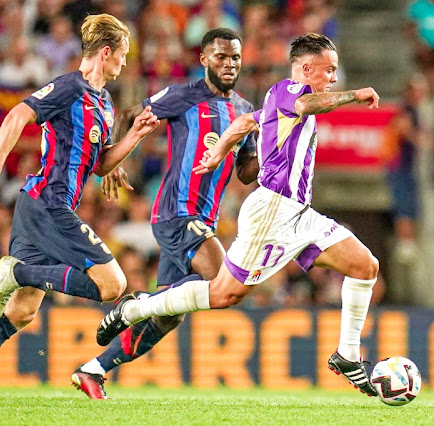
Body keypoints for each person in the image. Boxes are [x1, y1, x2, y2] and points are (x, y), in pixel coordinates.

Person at [97, 32, 381, 397]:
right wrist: (354, 96)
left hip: (301, 214)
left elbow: (246, 123)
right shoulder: (287, 91)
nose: (333, 78)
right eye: (329, 71)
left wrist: (220, 152)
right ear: (306, 68)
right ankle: (135, 309)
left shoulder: (270, 105)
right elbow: (310, 106)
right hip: (273, 211)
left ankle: (347, 355)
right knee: (224, 294)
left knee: (365, 266)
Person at [0, 14, 160, 406]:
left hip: (44, 208)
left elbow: (100, 164)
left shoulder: (104, 102)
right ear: (106, 53)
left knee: (21, 311)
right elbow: (18, 114)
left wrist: (134, 135)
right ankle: (17, 272)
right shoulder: (71, 87)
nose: (125, 63)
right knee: (114, 285)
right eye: (121, 55)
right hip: (47, 203)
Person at [74, 28, 259, 399]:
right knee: (227, 283)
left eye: (235, 57)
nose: (229, 63)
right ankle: (135, 305)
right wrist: (113, 160)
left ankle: (93, 369)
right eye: (221, 56)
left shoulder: (244, 110)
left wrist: (267, 154)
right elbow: (129, 115)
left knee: (168, 315)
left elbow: (246, 171)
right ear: (204, 59)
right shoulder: (183, 96)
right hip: (176, 212)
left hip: (202, 219)